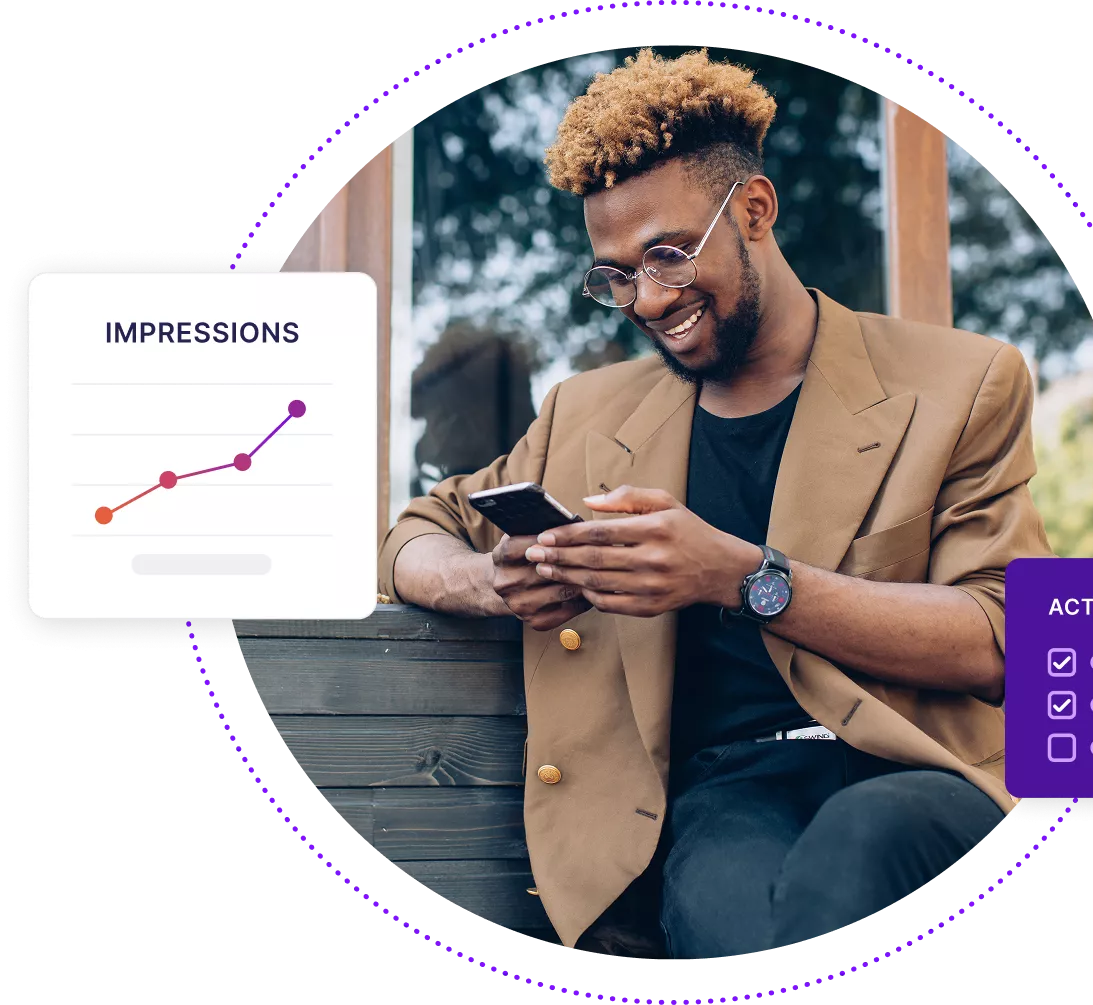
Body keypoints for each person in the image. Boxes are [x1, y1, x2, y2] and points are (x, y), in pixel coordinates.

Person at [378, 48, 1055, 961]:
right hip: (719, 794)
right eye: (616, 274)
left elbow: (1005, 637)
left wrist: (743, 576)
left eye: (668, 253)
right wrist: (489, 583)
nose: (648, 299)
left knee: (859, 850)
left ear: (755, 210)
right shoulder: (587, 412)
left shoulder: (962, 382)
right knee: (728, 905)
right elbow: (415, 534)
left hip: (917, 766)